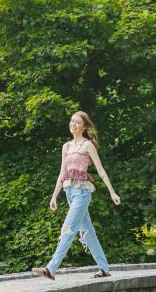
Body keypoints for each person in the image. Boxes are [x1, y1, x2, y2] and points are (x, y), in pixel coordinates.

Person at [32, 111, 120, 281]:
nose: (73, 124)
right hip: (69, 192)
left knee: (68, 229)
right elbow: (62, 173)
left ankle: (51, 268)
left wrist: (112, 192)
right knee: (88, 232)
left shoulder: (88, 146)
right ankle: (104, 269)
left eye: (77, 122)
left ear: (84, 126)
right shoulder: (66, 146)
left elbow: (100, 171)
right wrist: (54, 197)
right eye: (72, 121)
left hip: (82, 193)